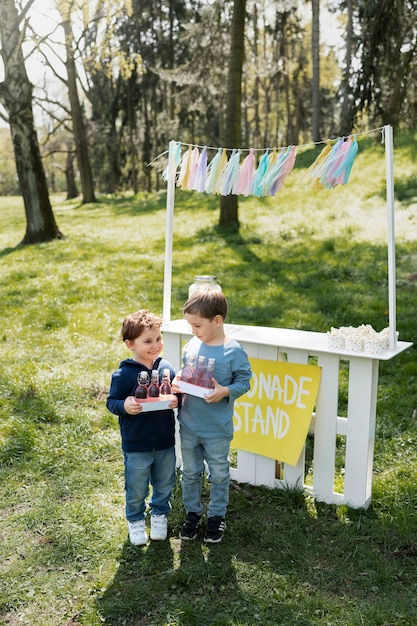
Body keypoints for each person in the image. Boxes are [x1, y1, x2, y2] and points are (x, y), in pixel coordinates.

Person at [172, 287, 252, 543]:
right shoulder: (192, 346)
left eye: (197, 325)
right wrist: (177, 383)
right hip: (189, 424)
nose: (193, 331)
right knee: (190, 472)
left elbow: (245, 381)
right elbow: (187, 373)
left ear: (217, 321)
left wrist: (226, 391)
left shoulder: (233, 351)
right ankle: (192, 514)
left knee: (218, 473)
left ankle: (216, 517)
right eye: (190, 325)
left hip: (217, 428)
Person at [106, 309, 178, 546]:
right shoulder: (124, 374)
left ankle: (158, 514)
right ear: (130, 344)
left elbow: (176, 391)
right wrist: (124, 405)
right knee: (136, 487)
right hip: (137, 444)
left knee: (165, 482)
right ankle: (135, 520)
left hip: (165, 442)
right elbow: (112, 402)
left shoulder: (166, 368)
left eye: (158, 339)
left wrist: (178, 399)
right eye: (147, 341)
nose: (155, 345)